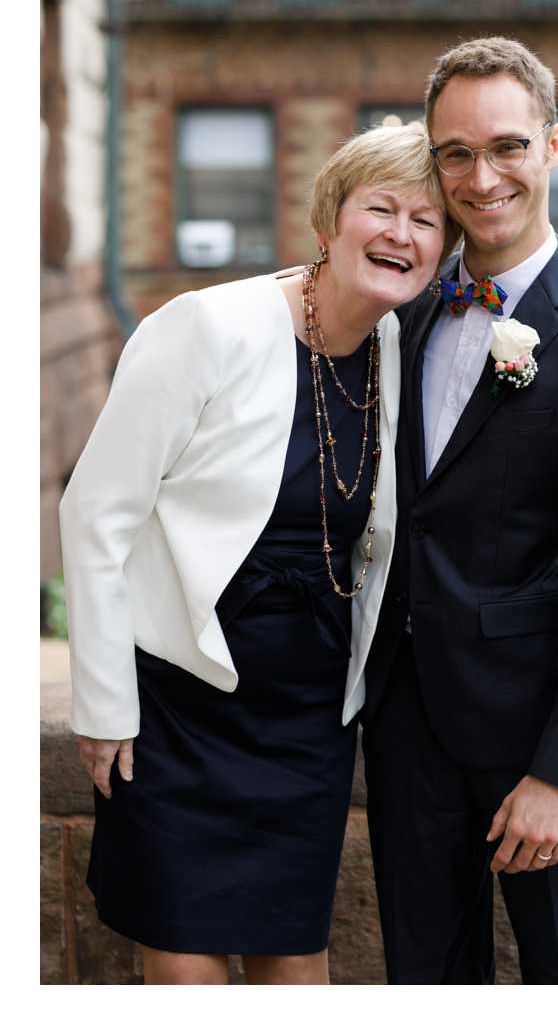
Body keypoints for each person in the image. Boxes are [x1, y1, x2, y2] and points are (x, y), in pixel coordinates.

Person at [62, 123, 447, 985]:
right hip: (176, 696)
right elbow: (94, 514)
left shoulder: (399, 345)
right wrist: (102, 702)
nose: (401, 234)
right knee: (183, 945)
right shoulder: (206, 326)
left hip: (308, 706)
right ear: (327, 220)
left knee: (294, 950)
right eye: (379, 209)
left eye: (427, 222)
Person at [360, 36, 558, 985]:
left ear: (555, 146)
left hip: (539, 741)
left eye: (506, 147)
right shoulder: (402, 315)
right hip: (407, 729)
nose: (481, 176)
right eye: (455, 153)